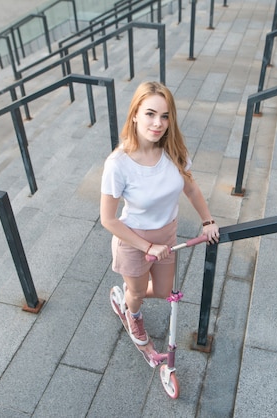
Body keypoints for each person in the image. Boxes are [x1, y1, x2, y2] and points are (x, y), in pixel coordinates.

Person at [100, 81, 219, 346]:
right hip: (134, 240)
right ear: (135, 115)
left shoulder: (173, 150)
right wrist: (147, 246)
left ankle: (130, 297)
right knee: (138, 291)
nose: (158, 123)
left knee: (165, 290)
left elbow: (191, 189)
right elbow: (108, 219)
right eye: (150, 114)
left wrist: (208, 220)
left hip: (166, 234)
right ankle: (133, 311)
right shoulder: (118, 164)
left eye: (165, 116)